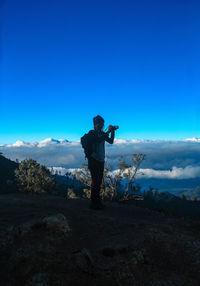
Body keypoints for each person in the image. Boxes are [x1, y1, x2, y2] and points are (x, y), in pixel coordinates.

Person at [87, 115, 116, 210]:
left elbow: (111, 141)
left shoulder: (102, 134)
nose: (102, 126)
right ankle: (93, 203)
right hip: (93, 161)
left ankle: (97, 202)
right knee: (95, 182)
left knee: (98, 182)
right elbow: (99, 140)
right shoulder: (92, 134)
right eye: (101, 124)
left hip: (101, 160)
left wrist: (112, 132)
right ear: (96, 125)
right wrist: (108, 131)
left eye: (103, 125)